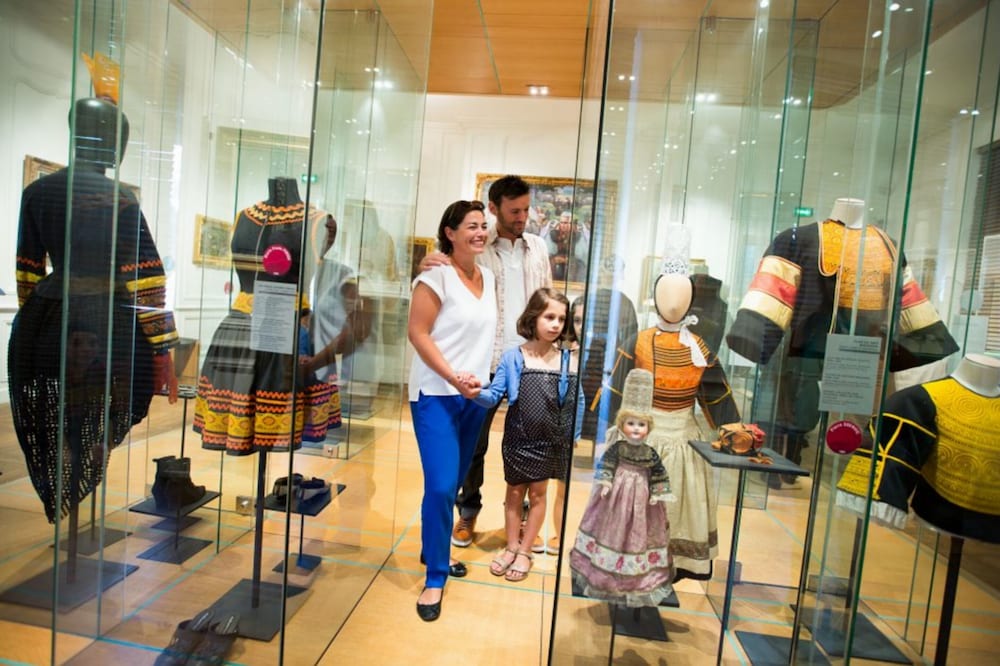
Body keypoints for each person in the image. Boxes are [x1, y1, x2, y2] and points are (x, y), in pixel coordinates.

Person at [9, 97, 179, 523]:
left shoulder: (37, 192)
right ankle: (78, 475)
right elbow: (147, 278)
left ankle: (71, 478)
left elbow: (27, 273)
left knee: (64, 409)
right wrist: (162, 350)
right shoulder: (119, 199)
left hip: (45, 321)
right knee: (93, 411)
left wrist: (36, 329)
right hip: (108, 322)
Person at [421, 175, 553, 548]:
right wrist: (427, 261)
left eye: (526, 209)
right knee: (474, 443)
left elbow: (548, 296)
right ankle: (467, 511)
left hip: (530, 360)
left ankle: (525, 519)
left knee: (529, 444)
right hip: (486, 360)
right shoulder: (478, 245)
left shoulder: (538, 248)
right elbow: (446, 268)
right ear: (494, 208)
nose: (522, 217)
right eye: (514, 211)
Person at [408, 199, 497, 621]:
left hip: (473, 397)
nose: (480, 232)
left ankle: (433, 548)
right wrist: (453, 377)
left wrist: (485, 383)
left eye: (483, 225)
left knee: (455, 482)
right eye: (471, 226)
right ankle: (435, 578)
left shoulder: (488, 277)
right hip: (436, 394)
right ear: (450, 232)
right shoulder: (434, 276)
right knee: (443, 487)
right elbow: (418, 333)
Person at [470, 288, 583, 582]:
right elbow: (494, 395)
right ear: (533, 317)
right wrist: (473, 392)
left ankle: (525, 551)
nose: (556, 324)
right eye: (549, 317)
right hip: (518, 438)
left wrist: (574, 434)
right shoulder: (514, 357)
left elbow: (578, 400)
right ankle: (511, 546)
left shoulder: (568, 360)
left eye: (561, 318)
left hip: (550, 441)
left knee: (539, 494)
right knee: (514, 494)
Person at [570, 369, 676, 606]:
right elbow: (607, 463)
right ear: (622, 425)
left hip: (641, 498)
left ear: (648, 428)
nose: (636, 429)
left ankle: (637, 576)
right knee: (613, 527)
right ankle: (606, 571)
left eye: (641, 425)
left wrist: (657, 493)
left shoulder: (650, 452)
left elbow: (658, 472)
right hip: (616, 496)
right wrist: (606, 482)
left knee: (639, 531)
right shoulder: (618, 448)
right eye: (631, 424)